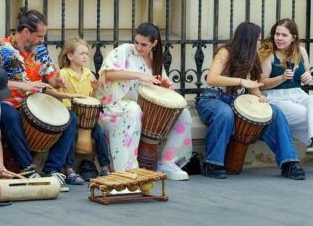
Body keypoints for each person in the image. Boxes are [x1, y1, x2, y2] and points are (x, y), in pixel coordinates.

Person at [0, 8, 79, 192]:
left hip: (35, 104)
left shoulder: (40, 50)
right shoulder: (0, 49)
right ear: (26, 32)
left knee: (70, 118)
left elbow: (51, 78)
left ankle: (53, 170)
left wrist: (58, 81)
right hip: (8, 103)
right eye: (39, 35)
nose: (42, 40)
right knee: (10, 115)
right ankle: (28, 171)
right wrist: (21, 86)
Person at [196, 21, 305, 180]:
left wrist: (259, 97)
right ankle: (211, 163)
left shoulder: (252, 56)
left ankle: (289, 163)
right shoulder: (225, 52)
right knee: (225, 114)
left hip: (237, 101)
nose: (260, 42)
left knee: (275, 112)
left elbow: (252, 83)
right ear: (248, 39)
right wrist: (240, 81)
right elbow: (212, 79)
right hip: (213, 99)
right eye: (258, 39)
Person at [95, 22, 193, 180]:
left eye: (144, 44)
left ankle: (168, 162)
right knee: (133, 109)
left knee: (184, 113)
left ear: (154, 43)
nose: (138, 47)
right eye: (136, 42)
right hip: (114, 106)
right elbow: (107, 74)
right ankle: (127, 169)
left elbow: (160, 89)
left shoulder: (156, 60)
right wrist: (138, 75)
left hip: (144, 110)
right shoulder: (125, 51)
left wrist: (164, 86)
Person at [57, 37, 111, 181]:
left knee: (99, 132)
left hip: (86, 117)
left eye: (87, 54)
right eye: (82, 54)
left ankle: (105, 167)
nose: (86, 56)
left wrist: (94, 91)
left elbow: (89, 98)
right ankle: (69, 169)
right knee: (72, 133)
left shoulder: (88, 73)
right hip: (70, 113)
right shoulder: (63, 74)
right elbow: (60, 96)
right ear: (70, 56)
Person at [258, 18, 313, 154]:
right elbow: (262, 84)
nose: (279, 38)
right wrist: (281, 77)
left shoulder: (301, 51)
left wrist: (308, 77)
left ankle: (312, 139)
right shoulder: (268, 54)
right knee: (305, 115)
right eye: (277, 34)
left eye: (284, 35)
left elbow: (305, 77)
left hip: (298, 94)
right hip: (276, 97)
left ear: (293, 37)